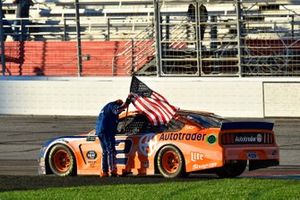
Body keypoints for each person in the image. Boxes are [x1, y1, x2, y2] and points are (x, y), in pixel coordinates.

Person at [95, 98, 131, 177]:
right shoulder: (113, 105)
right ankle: (113, 170)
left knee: (105, 151)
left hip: (99, 131)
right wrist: (127, 102)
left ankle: (104, 171)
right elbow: (117, 110)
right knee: (111, 150)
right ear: (118, 103)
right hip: (107, 131)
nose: (121, 112)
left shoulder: (106, 108)